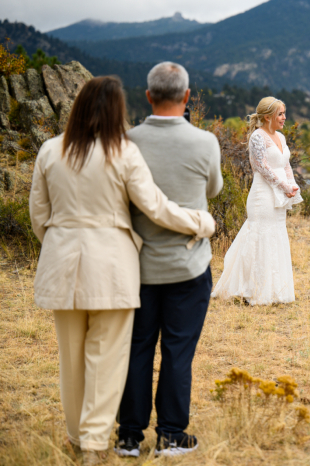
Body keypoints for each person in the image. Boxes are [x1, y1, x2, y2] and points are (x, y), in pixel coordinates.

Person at [29, 76, 215, 466]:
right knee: (106, 357)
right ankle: (96, 445)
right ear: (118, 110)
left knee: (71, 358)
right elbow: (156, 207)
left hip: (62, 264)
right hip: (112, 267)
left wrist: (62, 243)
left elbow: (39, 217)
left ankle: (77, 436)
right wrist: (200, 223)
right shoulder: (122, 152)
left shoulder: (49, 151)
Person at [115, 62, 223, 457]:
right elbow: (213, 188)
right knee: (179, 350)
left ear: (148, 96)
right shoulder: (205, 142)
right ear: (187, 97)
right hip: (188, 264)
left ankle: (129, 435)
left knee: (137, 347)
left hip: (136, 266)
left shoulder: (126, 141)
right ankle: (172, 434)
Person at [211, 97, 303, 304]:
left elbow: (286, 165)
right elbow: (262, 167)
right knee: (260, 236)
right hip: (263, 195)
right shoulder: (257, 137)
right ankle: (252, 289)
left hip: (280, 193)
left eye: (284, 113)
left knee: (277, 236)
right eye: (280, 114)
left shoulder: (280, 136)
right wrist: (284, 186)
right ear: (268, 116)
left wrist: (292, 185)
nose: (284, 117)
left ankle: (276, 290)